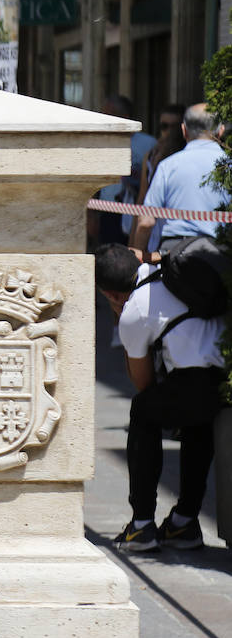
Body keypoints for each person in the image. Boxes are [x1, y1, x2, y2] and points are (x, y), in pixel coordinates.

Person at [96, 243, 225, 551]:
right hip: (223, 377)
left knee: (143, 411)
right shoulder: (172, 273)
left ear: (111, 294)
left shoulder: (135, 309)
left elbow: (142, 381)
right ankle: (184, 522)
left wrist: (122, 321)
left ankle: (142, 525)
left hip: (193, 382)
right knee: (196, 423)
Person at [129, 103, 224, 258]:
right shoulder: (228, 166)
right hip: (220, 254)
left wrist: (137, 259)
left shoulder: (168, 166)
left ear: (184, 130)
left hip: (174, 254)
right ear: (221, 131)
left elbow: (146, 221)